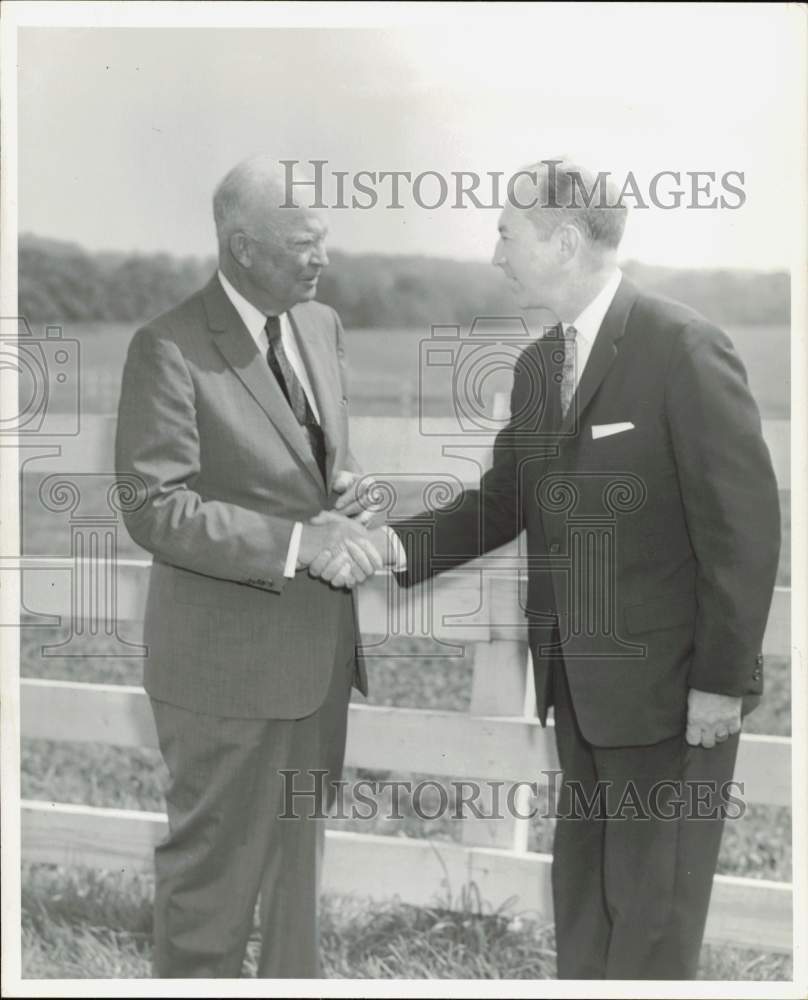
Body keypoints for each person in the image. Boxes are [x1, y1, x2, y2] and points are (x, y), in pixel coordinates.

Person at [325, 158, 781, 979]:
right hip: (576, 692)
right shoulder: (538, 367)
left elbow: (743, 530)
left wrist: (720, 681)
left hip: (675, 700)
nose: (496, 254)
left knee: (651, 931)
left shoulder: (684, 348)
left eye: (507, 232)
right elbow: (503, 503)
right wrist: (388, 545)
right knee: (586, 915)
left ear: (564, 240)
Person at [115, 154, 388, 978]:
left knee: (296, 892)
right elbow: (154, 506)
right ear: (241, 247)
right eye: (305, 243)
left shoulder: (320, 325)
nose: (323, 259)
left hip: (314, 665)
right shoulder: (166, 347)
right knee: (212, 893)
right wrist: (303, 544)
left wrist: (350, 487)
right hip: (222, 678)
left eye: (325, 240)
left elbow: (310, 463)